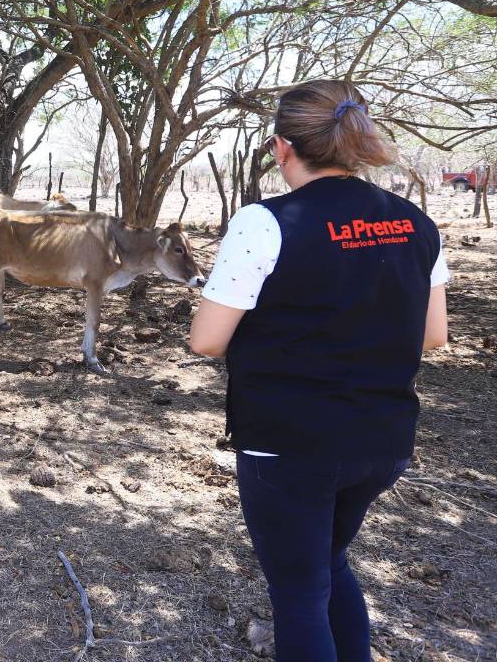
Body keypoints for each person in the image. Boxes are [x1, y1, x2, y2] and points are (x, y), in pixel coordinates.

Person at [189, 80, 449, 662]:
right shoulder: (416, 223)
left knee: (300, 594)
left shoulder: (264, 223)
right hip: (382, 443)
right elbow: (434, 335)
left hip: (288, 446)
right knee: (327, 563)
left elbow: (206, 341)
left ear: (281, 148)